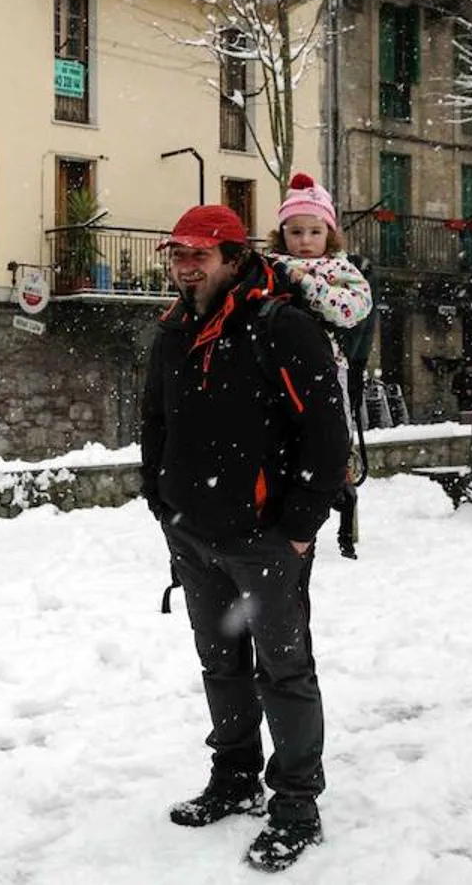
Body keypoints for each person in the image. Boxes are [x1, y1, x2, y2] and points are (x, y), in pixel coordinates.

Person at [141, 205, 350, 873]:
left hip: (264, 539)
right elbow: (154, 420)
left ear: (234, 256)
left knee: (283, 672)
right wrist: (162, 500)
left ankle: (296, 805)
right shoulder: (174, 329)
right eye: (179, 254)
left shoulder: (280, 327)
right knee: (221, 664)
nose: (186, 266)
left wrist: (299, 528)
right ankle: (234, 777)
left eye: (201, 255)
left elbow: (326, 432)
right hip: (194, 534)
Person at [265, 172, 372, 560]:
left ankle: (339, 482)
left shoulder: (340, 272)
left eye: (314, 231)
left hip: (325, 367)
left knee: (330, 431)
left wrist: (305, 285)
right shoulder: (270, 266)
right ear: (282, 234)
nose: (305, 241)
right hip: (274, 368)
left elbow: (351, 310)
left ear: (329, 234)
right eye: (296, 232)